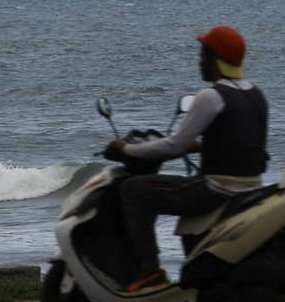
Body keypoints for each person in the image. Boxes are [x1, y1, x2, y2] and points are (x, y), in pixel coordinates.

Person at [106, 25, 269, 293]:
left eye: (202, 55)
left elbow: (173, 145)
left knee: (133, 190)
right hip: (252, 187)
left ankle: (150, 270)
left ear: (215, 60)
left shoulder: (211, 96)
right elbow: (240, 141)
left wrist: (126, 149)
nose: (199, 61)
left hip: (217, 188)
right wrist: (201, 147)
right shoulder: (255, 94)